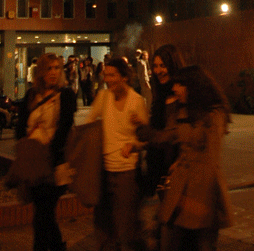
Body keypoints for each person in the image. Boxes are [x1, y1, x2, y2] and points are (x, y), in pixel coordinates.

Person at [135, 64, 233, 251]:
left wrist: (199, 202)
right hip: (181, 188)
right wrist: (145, 132)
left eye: (180, 84)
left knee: (202, 244)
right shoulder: (183, 111)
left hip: (203, 194)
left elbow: (211, 160)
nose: (174, 88)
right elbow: (169, 136)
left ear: (193, 87)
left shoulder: (214, 115)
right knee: (170, 240)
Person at [15, 53, 76, 251]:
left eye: (57, 68)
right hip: (33, 161)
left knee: (43, 213)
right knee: (44, 213)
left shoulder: (66, 95)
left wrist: (51, 150)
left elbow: (65, 126)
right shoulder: (31, 95)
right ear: (41, 72)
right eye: (49, 68)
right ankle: (57, 246)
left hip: (54, 163)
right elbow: (20, 127)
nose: (53, 72)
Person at [87, 55, 148, 251]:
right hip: (104, 170)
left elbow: (145, 137)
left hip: (126, 171)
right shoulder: (103, 97)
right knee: (103, 225)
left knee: (126, 225)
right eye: (106, 75)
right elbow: (88, 124)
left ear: (124, 77)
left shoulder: (136, 101)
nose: (108, 80)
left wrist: (134, 145)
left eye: (113, 75)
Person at [135, 44, 185, 251]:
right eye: (155, 66)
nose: (158, 70)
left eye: (162, 65)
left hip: (177, 172)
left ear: (173, 65)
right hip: (160, 171)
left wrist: (146, 133)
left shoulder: (182, 95)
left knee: (173, 230)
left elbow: (175, 135)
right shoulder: (159, 95)